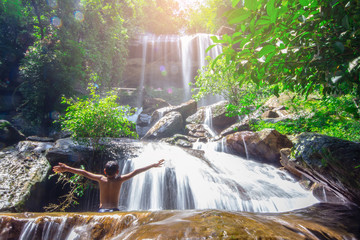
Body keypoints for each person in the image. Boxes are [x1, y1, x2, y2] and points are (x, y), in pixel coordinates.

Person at [53, 159, 165, 212]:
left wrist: (67, 168)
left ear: (105, 171)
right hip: (114, 210)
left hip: (101, 211)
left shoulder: (101, 179)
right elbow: (136, 171)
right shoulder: (120, 179)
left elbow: (83, 173)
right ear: (118, 171)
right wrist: (152, 165)